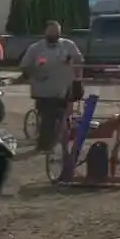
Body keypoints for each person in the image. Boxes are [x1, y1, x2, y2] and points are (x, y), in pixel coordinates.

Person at [19, 20, 84, 152]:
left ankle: (54, 142)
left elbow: (79, 62)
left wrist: (77, 80)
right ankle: (45, 144)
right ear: (45, 33)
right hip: (43, 90)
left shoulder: (68, 45)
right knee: (48, 117)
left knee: (60, 116)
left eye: (56, 32)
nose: (54, 35)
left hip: (63, 89)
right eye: (51, 32)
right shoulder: (35, 48)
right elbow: (25, 67)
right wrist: (34, 73)